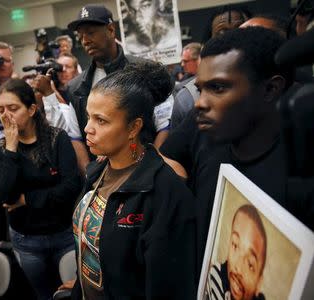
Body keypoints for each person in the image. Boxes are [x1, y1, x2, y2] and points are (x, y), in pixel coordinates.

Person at [160, 27, 297, 273]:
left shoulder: (299, 172)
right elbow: (163, 157)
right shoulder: (201, 128)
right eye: (201, 89)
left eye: (219, 88)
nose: (200, 102)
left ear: (270, 89)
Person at [58, 62, 196, 299]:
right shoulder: (97, 171)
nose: (87, 128)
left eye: (101, 121)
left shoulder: (165, 193)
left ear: (133, 127)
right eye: (88, 116)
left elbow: (167, 287)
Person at [0, 79, 82, 300]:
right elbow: (6, 195)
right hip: (26, 239)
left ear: (31, 109)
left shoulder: (56, 138)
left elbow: (71, 187)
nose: (6, 115)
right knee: (42, 294)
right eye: (1, 109)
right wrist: (11, 148)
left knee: (72, 294)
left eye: (13, 108)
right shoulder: (0, 148)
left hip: (63, 233)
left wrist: (27, 200)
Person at [67, 4, 173, 152]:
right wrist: (90, 173)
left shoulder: (146, 71)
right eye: (80, 36)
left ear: (111, 30)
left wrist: (152, 165)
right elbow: (76, 137)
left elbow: (165, 124)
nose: (85, 41)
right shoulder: (76, 87)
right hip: (101, 171)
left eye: (90, 33)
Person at [32, 52, 90, 174]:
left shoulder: (82, 92)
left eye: (68, 67)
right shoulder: (47, 92)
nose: (63, 70)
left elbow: (70, 132)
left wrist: (50, 91)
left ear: (76, 70)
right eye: (59, 67)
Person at [208, 205, 267, 300]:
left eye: (250, 264)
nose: (238, 268)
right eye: (235, 245)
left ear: (259, 283)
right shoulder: (214, 277)